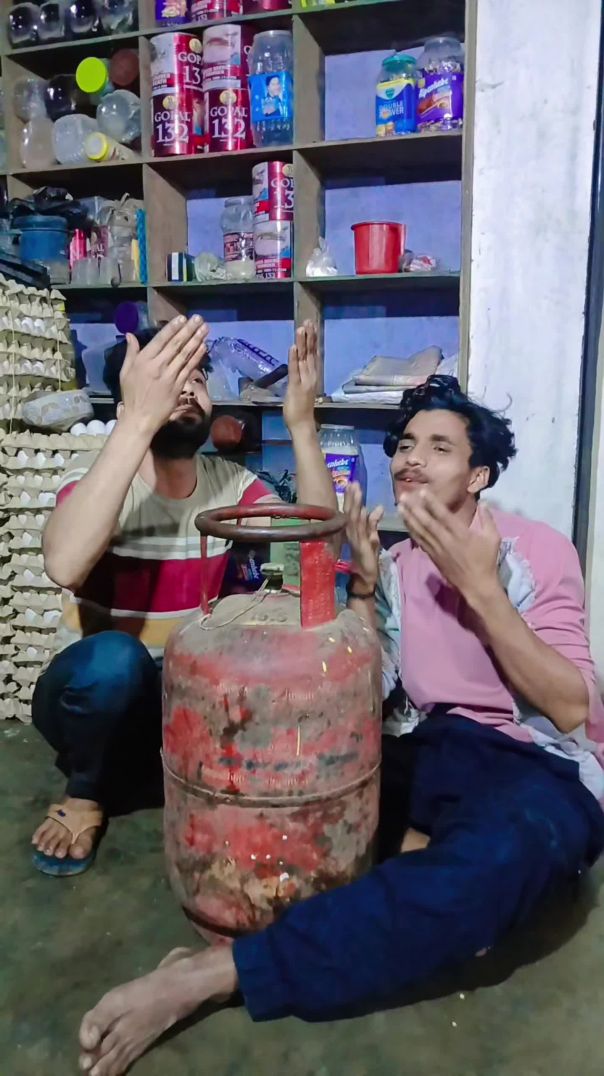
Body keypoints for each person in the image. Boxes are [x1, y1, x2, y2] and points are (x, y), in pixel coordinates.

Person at [77, 374, 604, 1076]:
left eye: (439, 447)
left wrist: (482, 589)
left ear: (478, 475)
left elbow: (571, 707)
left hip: (535, 762)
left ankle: (219, 972)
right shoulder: (400, 564)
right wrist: (362, 587)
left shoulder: (534, 550)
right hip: (428, 743)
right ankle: (421, 868)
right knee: (303, 795)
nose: (412, 458)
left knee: (496, 866)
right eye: (406, 444)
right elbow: (366, 698)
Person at [32, 315, 336, 877]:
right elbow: (64, 564)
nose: (188, 388)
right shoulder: (100, 477)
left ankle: (168, 769)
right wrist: (135, 420)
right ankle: (85, 791)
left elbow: (318, 544)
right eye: (168, 378)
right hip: (88, 702)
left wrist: (301, 424)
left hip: (178, 703)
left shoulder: (229, 485)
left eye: (196, 376)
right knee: (117, 657)